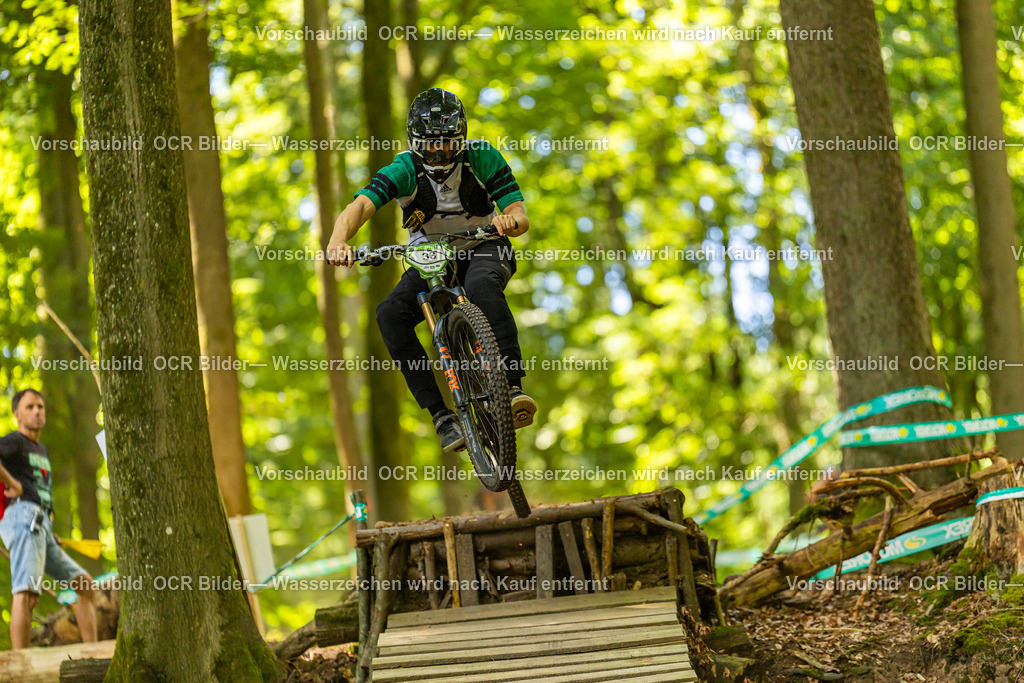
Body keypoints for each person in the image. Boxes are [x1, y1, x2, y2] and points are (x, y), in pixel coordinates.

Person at [328, 87, 537, 453]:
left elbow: (519, 213)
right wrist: (338, 240)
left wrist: (509, 222)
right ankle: (442, 418)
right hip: (431, 256)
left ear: (462, 137)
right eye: (430, 144)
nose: (439, 151)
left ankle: (513, 386)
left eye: (447, 142)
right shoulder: (404, 169)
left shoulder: (483, 157)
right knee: (390, 314)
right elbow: (360, 206)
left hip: (484, 245)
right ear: (414, 142)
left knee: (484, 289)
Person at [0, 389, 97, 649]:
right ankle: (20, 666)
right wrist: (13, 483)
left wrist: (48, 529)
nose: (37, 411)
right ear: (17, 413)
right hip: (22, 517)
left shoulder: (40, 449)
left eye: (41, 406)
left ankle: (93, 656)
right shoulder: (14, 441)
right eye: (30, 407)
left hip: (41, 525)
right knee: (27, 593)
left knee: (85, 586)